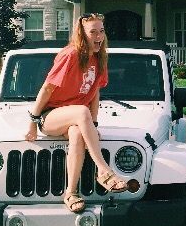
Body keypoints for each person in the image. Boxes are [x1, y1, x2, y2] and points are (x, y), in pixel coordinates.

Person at [25, 13, 128, 212]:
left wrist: (93, 125)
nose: (99, 36)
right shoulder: (70, 55)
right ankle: (104, 171)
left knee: (78, 134)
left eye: (102, 31)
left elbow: (95, 92)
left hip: (77, 118)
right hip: (50, 116)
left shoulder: (100, 58)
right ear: (82, 34)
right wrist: (32, 122)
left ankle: (70, 193)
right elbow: (47, 88)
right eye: (93, 32)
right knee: (81, 111)